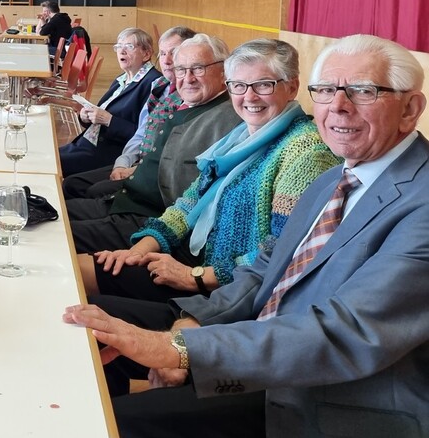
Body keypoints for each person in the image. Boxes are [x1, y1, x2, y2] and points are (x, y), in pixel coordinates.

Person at [66, 34, 429, 437]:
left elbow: (347, 332)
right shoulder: (337, 177)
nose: (338, 106)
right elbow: (268, 265)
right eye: (326, 90)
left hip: (332, 399)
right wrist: (196, 323)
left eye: (363, 91)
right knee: (87, 339)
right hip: (263, 342)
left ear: (410, 108)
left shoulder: (416, 202)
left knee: (109, 423)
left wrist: (181, 347)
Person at [81, 41, 340, 368]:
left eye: (263, 85)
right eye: (238, 85)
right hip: (192, 263)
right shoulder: (240, 138)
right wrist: (141, 249)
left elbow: (281, 254)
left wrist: (197, 276)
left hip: (227, 295)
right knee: (78, 273)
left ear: (291, 87)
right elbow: (187, 204)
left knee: (86, 317)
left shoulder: (305, 152)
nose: (249, 96)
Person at [67, 34, 243, 255]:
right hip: (126, 201)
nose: (188, 78)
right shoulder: (185, 102)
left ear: (224, 70)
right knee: (57, 208)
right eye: (181, 70)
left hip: (150, 221)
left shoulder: (227, 119)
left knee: (59, 231)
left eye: (198, 69)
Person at [58, 28, 162, 177]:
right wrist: (86, 116)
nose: (122, 51)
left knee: (48, 162)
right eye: (119, 46)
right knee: (45, 156)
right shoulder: (122, 79)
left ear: (146, 54)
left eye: (129, 46)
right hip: (87, 144)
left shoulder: (153, 84)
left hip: (109, 155)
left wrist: (109, 120)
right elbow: (102, 115)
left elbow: (146, 136)